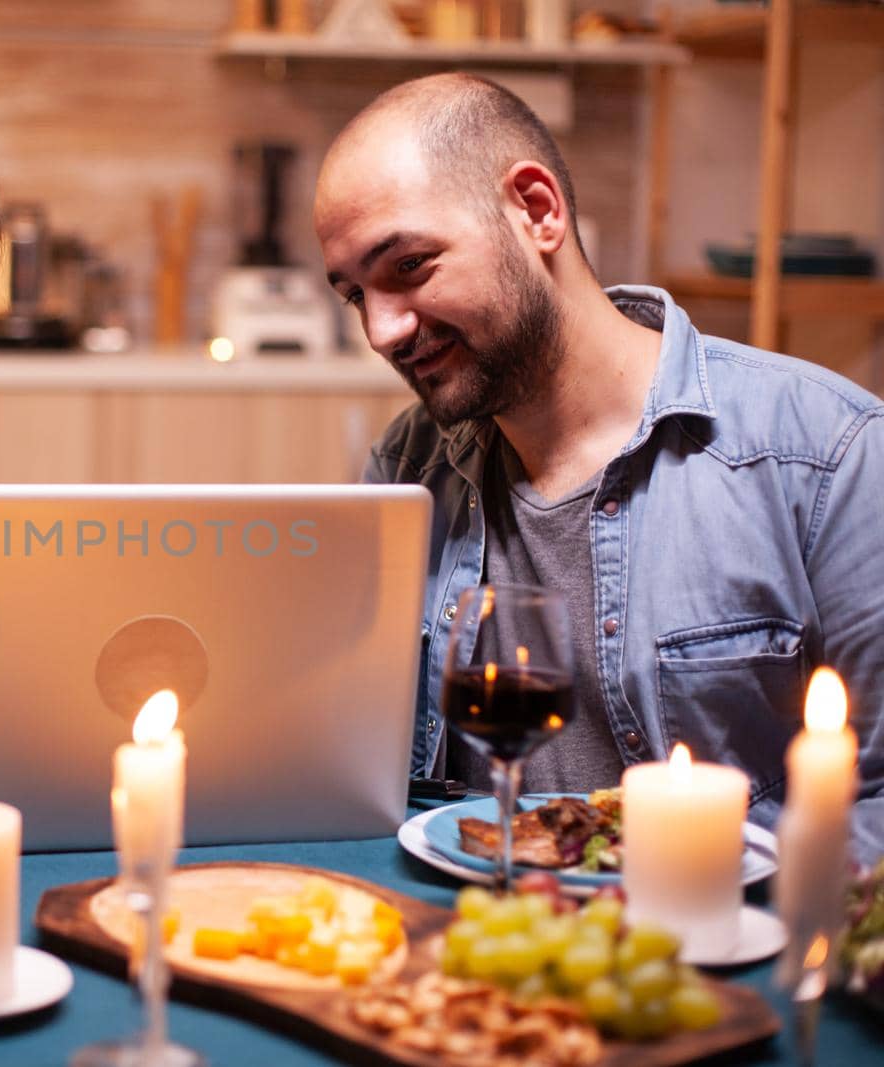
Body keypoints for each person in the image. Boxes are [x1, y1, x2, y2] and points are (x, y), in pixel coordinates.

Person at [313, 73, 883, 859]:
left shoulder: (827, 455)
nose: (381, 330)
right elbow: (354, 770)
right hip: (469, 941)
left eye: (408, 265)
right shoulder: (406, 467)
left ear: (537, 211)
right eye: (355, 296)